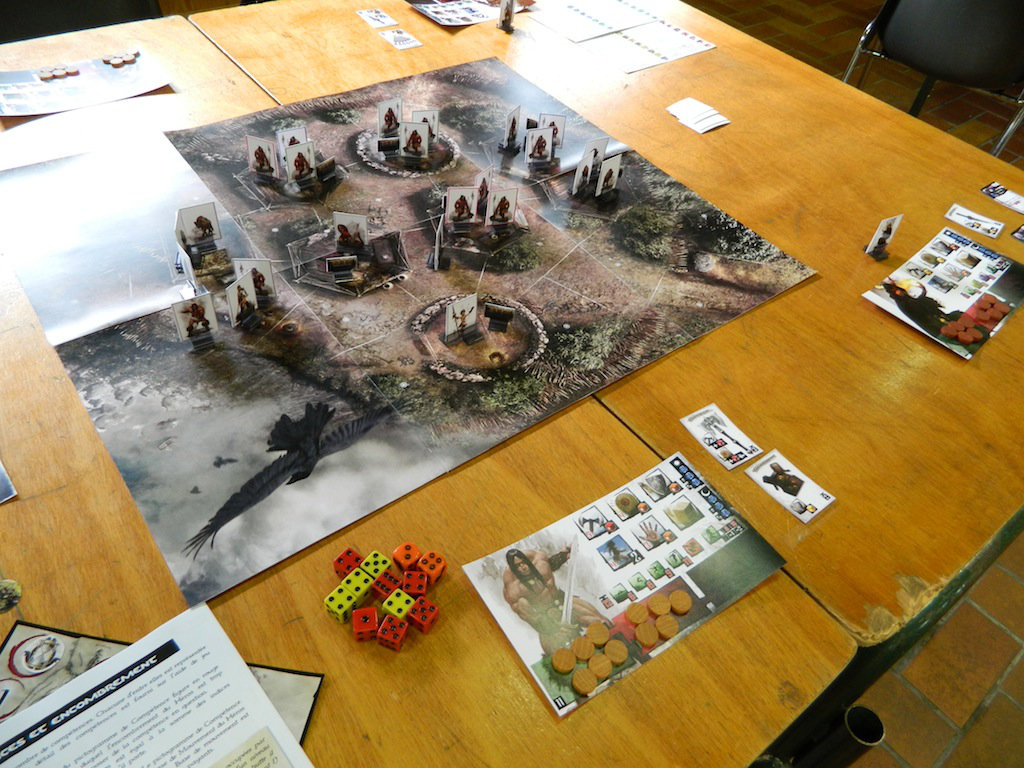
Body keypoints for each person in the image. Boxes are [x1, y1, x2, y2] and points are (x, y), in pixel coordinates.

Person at [501, 547, 606, 655]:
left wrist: (563, 556)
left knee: (602, 622)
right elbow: (526, 613)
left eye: (523, 563)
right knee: (556, 653)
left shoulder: (539, 562)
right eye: (518, 566)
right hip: (545, 618)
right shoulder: (513, 586)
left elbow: (550, 564)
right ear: (514, 569)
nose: (522, 567)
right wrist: (550, 628)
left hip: (561, 602)